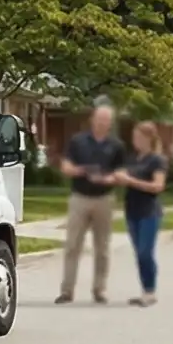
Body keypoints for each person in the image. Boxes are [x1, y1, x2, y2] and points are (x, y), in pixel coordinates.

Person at [55, 101, 124, 304]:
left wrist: (107, 179)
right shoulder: (78, 141)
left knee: (102, 247)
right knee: (72, 245)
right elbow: (66, 166)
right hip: (80, 197)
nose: (102, 123)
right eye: (99, 119)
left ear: (110, 123)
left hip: (105, 198)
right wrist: (83, 171)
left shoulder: (116, 146)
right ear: (92, 119)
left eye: (106, 120)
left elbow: (120, 172)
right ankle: (67, 291)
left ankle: (99, 289)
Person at [121, 122, 170, 307]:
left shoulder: (157, 160)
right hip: (132, 211)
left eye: (138, 137)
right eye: (134, 137)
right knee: (139, 253)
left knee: (145, 252)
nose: (135, 140)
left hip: (149, 212)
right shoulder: (134, 158)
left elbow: (158, 186)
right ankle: (145, 291)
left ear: (149, 138)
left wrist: (130, 180)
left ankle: (150, 291)